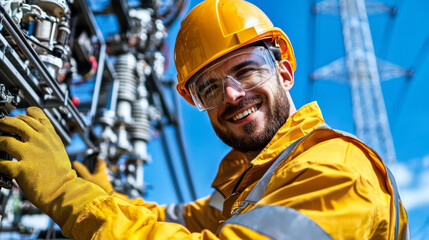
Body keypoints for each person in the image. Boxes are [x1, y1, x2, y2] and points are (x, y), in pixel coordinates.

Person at [0, 0, 409, 239]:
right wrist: (101, 193)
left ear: (284, 71)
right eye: (208, 88)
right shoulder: (248, 183)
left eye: (247, 70)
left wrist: (65, 192)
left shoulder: (337, 170)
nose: (231, 95)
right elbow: (172, 220)